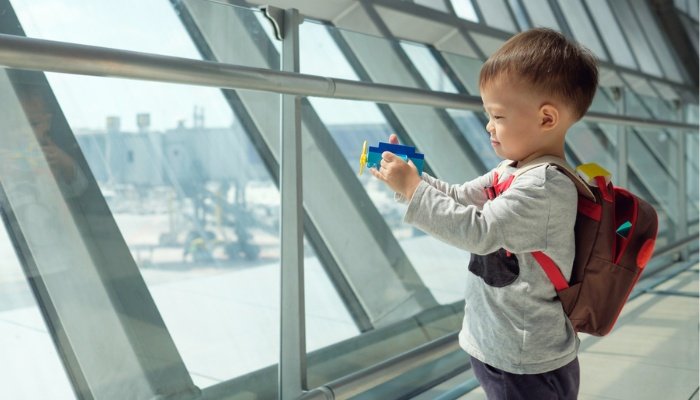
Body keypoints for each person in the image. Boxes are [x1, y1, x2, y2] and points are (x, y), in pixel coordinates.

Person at [370, 28, 598, 399]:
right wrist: (410, 179)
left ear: (546, 118)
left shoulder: (543, 186)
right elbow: (461, 198)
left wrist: (413, 189)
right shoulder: (513, 169)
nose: (488, 126)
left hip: (526, 361)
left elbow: (479, 231)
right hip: (499, 345)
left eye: (498, 115)